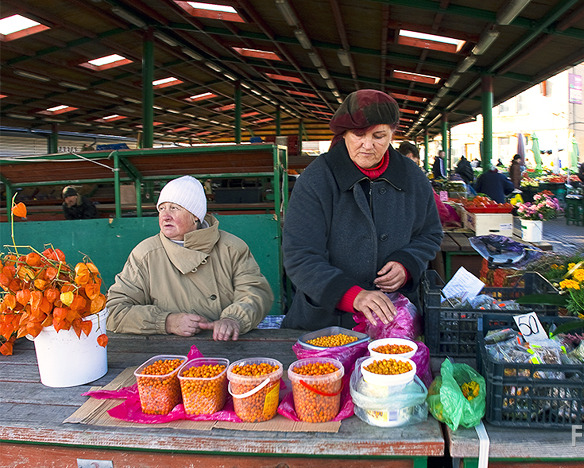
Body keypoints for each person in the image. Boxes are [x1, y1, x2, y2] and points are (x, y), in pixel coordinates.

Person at [281, 89, 443, 331]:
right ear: (344, 134)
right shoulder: (317, 179)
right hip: (327, 321)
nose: (368, 145)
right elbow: (299, 255)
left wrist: (407, 264)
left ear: (392, 134)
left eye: (379, 136)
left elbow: (430, 234)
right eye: (358, 135)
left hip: (395, 319)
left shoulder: (412, 177)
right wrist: (351, 295)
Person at [106, 175, 274, 341]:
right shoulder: (145, 254)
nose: (165, 216)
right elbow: (115, 310)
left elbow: (255, 293)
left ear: (196, 216)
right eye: (162, 208)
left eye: (174, 208)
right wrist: (167, 322)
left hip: (228, 344)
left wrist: (234, 319)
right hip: (167, 351)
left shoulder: (232, 248)